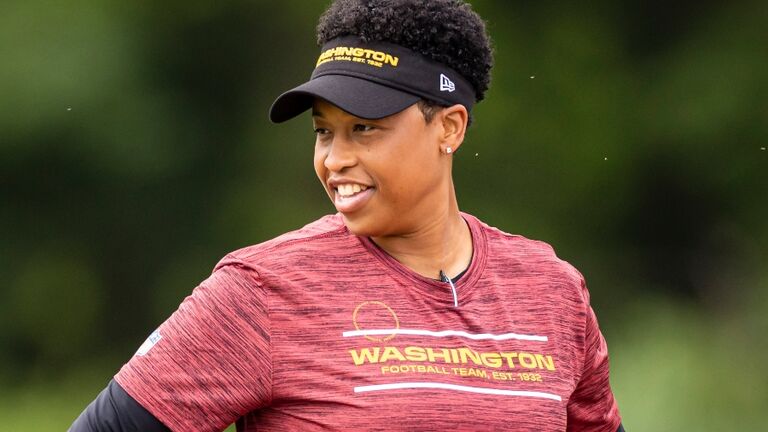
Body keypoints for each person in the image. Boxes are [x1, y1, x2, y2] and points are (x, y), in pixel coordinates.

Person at [70, 0, 624, 431]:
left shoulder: (552, 291)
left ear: (449, 127)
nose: (334, 159)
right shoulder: (261, 292)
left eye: (364, 128)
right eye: (323, 131)